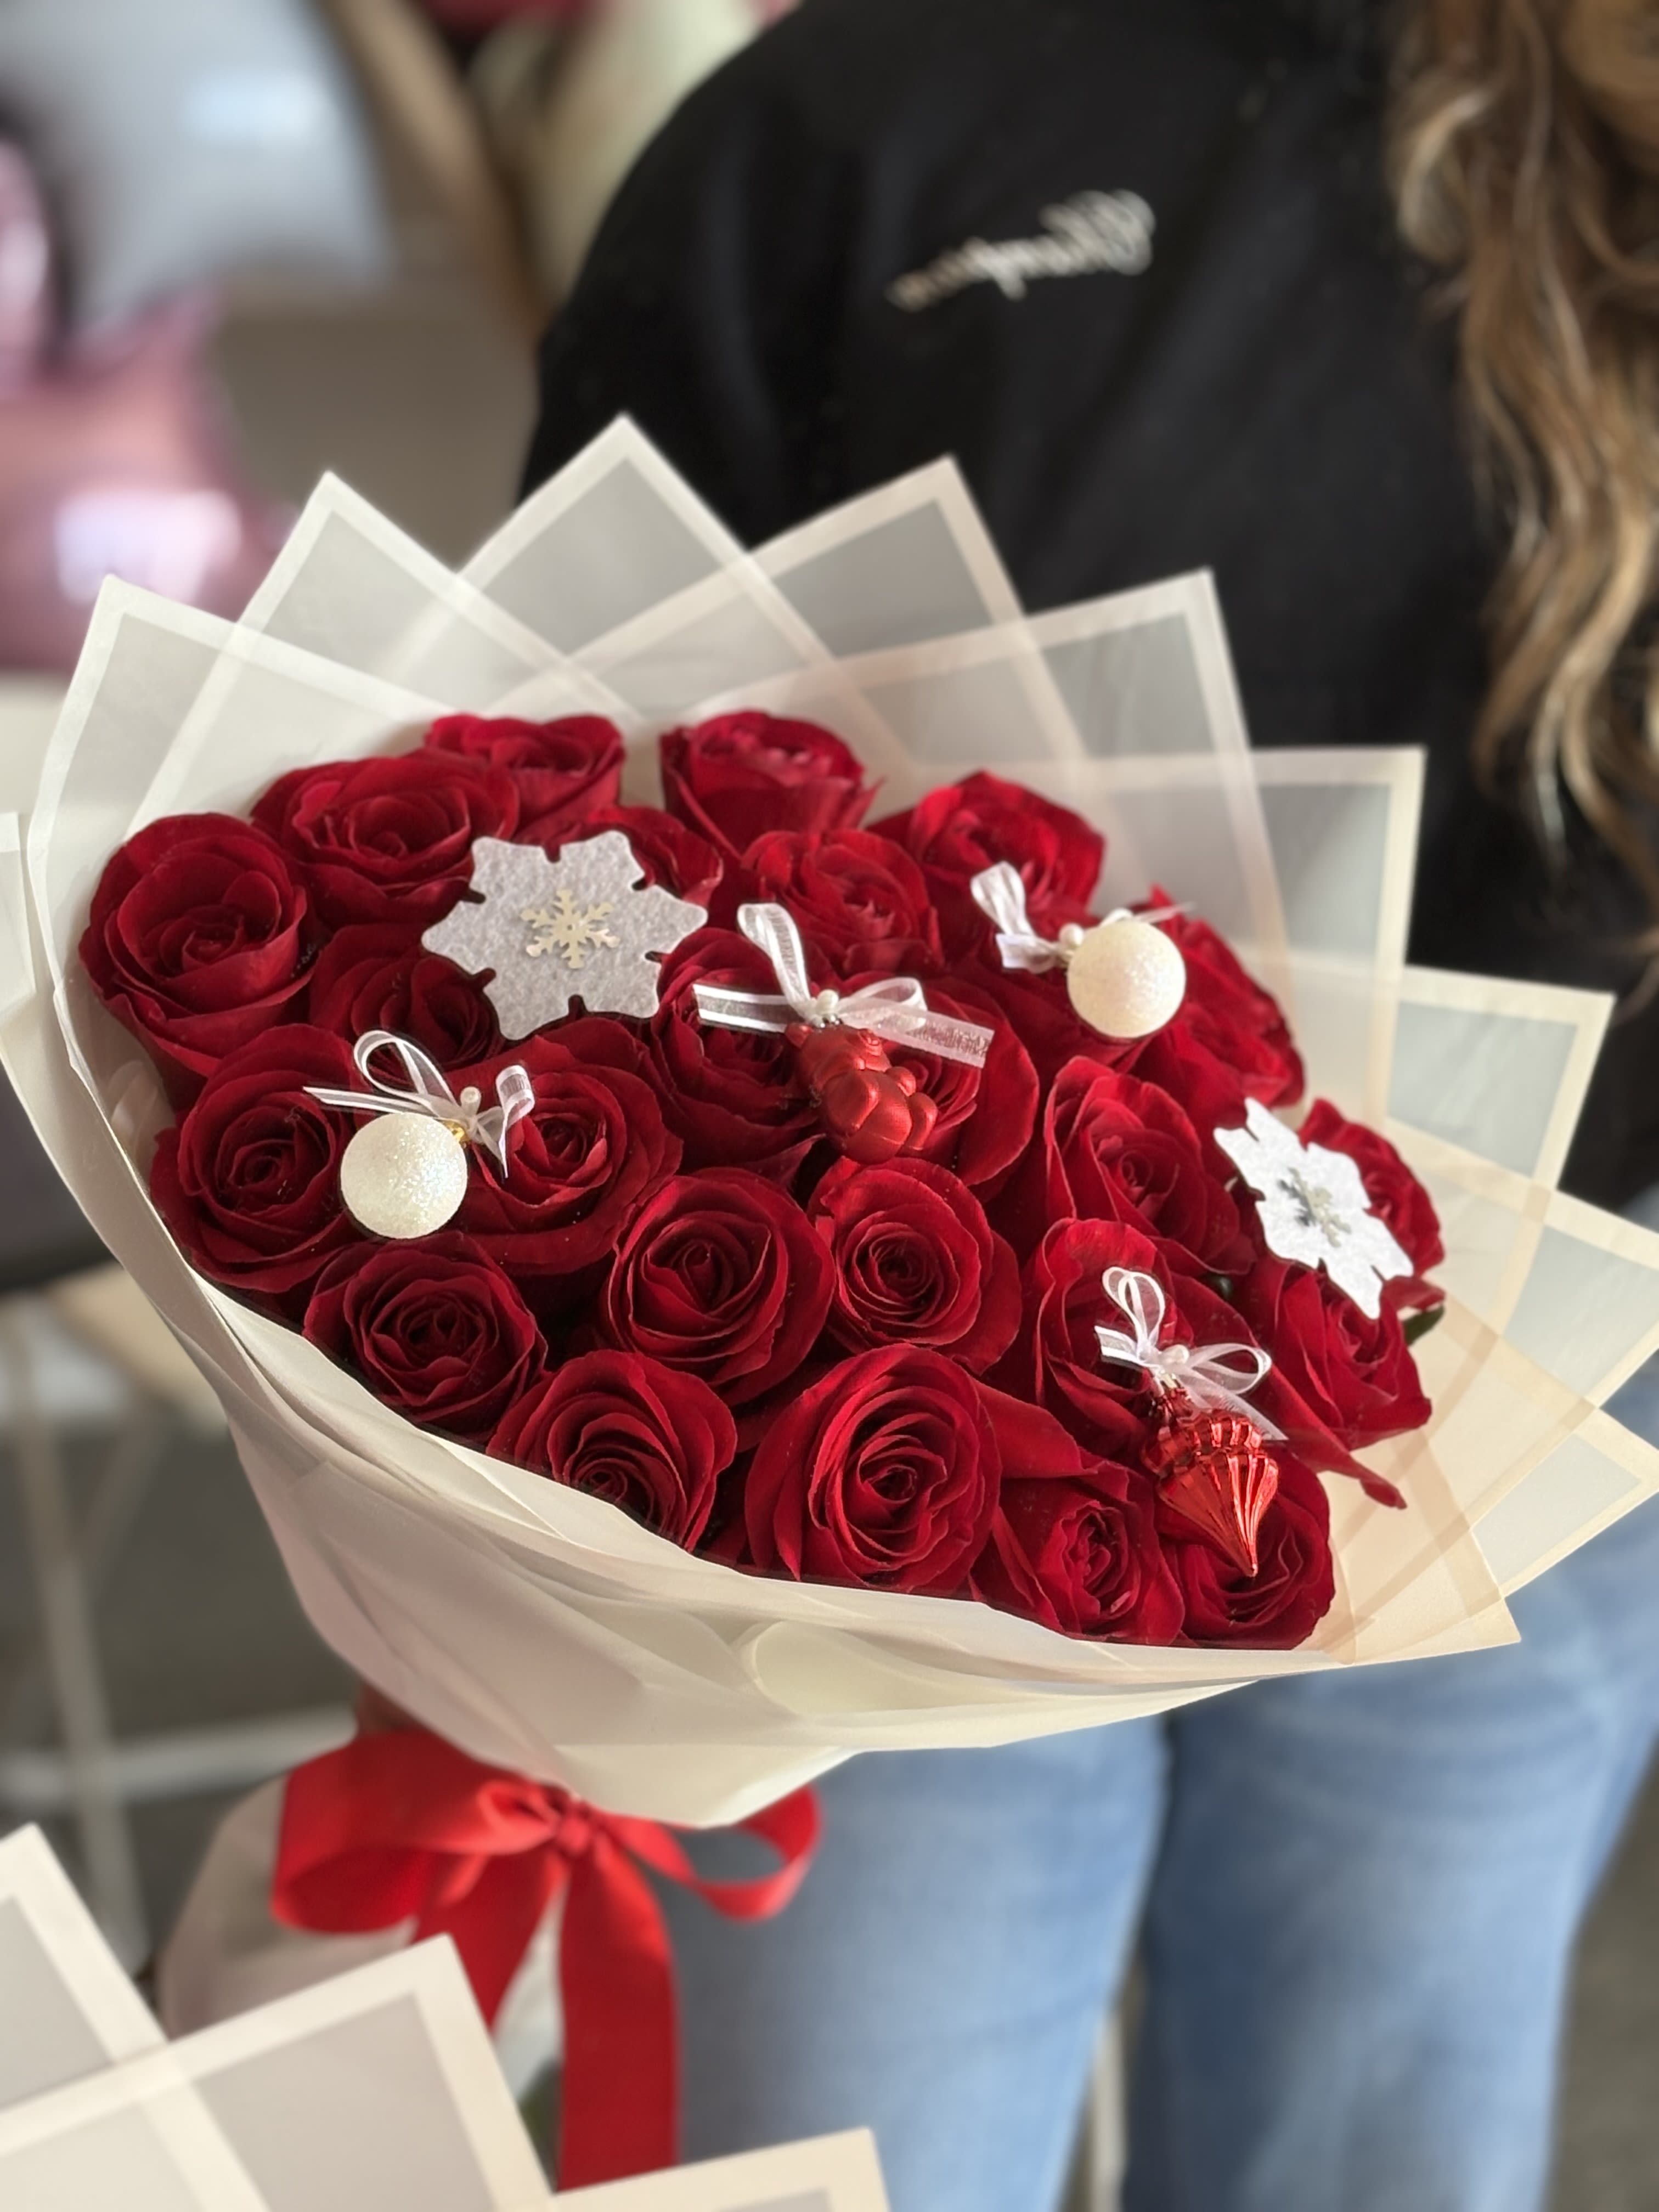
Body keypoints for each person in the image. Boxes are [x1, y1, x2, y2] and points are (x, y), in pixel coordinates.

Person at [521, 4, 1659, 2207]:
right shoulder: (841, 124)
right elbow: (565, 810)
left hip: (1505, 1461)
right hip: (887, 1446)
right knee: (847, 2161)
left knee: (1380, 2159)